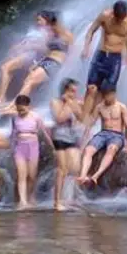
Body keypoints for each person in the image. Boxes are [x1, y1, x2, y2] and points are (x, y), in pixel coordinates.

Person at [81, 1, 127, 119]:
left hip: (115, 59)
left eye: (122, 18)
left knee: (107, 92)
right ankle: (83, 121)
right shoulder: (105, 16)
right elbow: (91, 31)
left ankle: (95, 120)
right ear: (113, 13)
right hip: (101, 55)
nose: (120, 21)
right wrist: (86, 48)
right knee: (91, 89)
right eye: (117, 18)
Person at [1, 94, 53, 208]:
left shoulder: (36, 117)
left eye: (23, 110)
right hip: (20, 147)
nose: (21, 112)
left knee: (31, 176)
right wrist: (9, 146)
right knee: (21, 175)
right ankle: (22, 201)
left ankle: (29, 197)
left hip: (33, 147)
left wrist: (52, 147)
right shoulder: (15, 118)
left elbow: (44, 132)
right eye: (18, 110)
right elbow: (13, 134)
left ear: (28, 106)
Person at [77, 87, 127, 188]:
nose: (106, 98)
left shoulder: (121, 107)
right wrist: (84, 141)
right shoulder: (99, 107)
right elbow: (90, 124)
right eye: (105, 95)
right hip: (103, 133)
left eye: (108, 95)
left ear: (114, 94)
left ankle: (96, 176)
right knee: (88, 150)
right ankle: (83, 176)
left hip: (117, 135)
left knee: (111, 149)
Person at [49, 79, 85, 210]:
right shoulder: (55, 102)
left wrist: (74, 105)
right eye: (72, 91)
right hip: (59, 137)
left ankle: (70, 198)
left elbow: (82, 118)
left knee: (75, 168)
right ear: (65, 90)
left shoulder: (76, 102)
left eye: (75, 91)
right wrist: (68, 104)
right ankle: (57, 201)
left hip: (73, 137)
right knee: (62, 169)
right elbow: (59, 118)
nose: (74, 94)